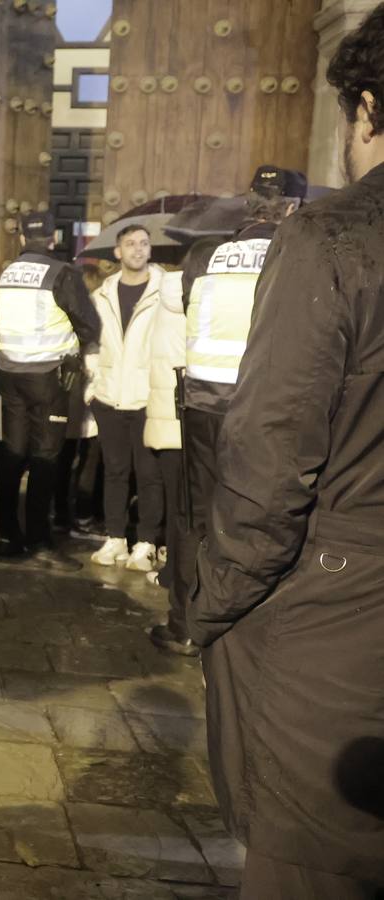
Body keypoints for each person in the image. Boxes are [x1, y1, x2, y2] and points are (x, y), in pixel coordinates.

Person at [190, 13, 384, 894]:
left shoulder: (336, 239)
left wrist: (214, 605)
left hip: (341, 624)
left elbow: (270, 456)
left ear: (368, 109)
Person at [158, 166, 305, 659]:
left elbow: (187, 306)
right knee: (257, 516)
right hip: (262, 408)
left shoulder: (204, 255)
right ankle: (242, 631)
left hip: (200, 404)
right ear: (292, 207)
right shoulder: (296, 253)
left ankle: (182, 624)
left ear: (250, 204)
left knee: (193, 514)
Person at [0, 211, 100, 570]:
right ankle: (39, 541)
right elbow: (89, 323)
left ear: (22, 239)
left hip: (9, 374)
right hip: (47, 377)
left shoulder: (7, 273)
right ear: (53, 238)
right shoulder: (61, 273)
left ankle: (8, 536)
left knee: (12, 453)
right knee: (46, 456)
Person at [85, 225, 166, 571]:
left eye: (143, 244)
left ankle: (146, 541)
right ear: (117, 252)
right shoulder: (101, 295)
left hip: (148, 398)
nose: (137, 249)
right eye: (130, 244)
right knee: (115, 471)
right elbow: (90, 343)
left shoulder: (165, 292)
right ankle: (115, 537)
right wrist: (95, 386)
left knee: (149, 474)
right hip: (110, 397)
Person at [139, 269, 195, 652]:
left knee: (182, 512)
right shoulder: (198, 295)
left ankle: (176, 584)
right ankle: (187, 609)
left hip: (168, 414)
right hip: (200, 415)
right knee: (194, 514)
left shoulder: (161, 297)